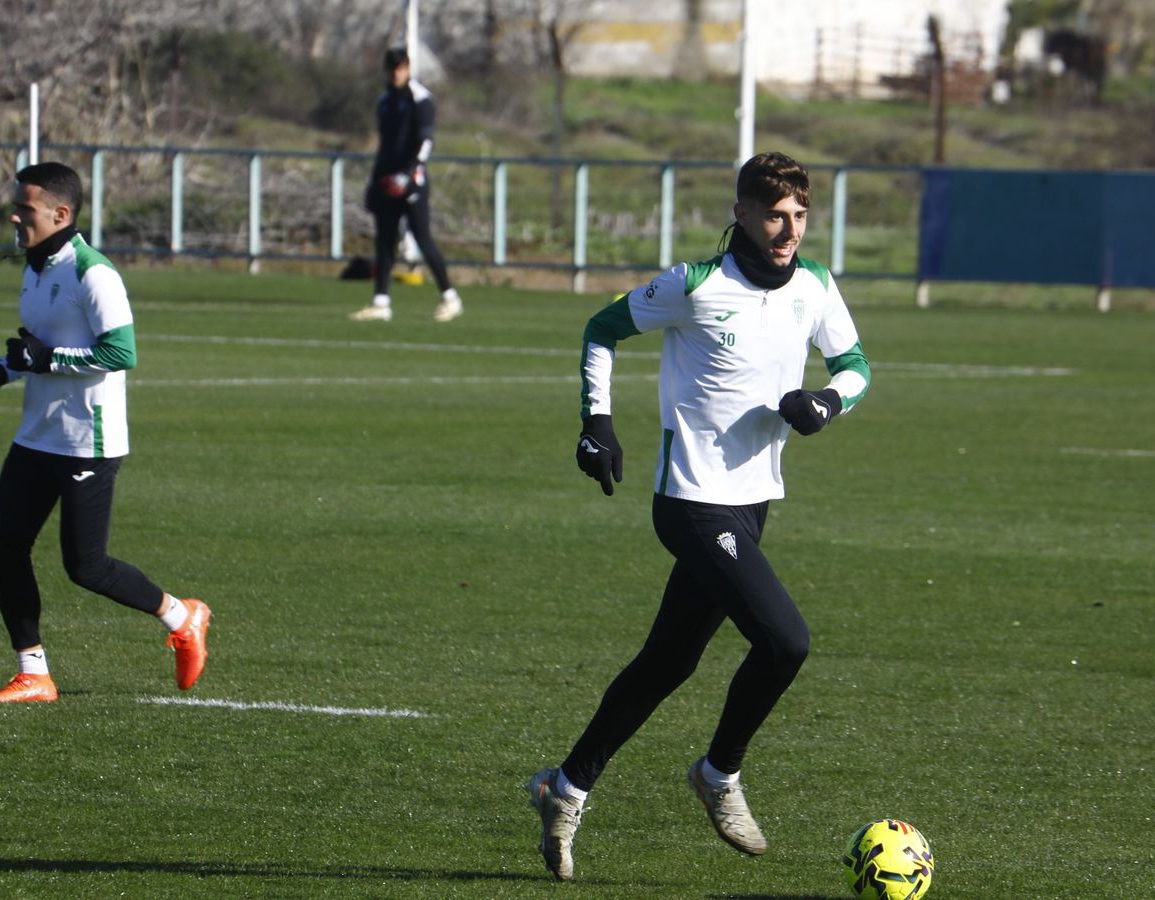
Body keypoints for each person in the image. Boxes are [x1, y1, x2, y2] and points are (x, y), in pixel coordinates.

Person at [525, 152, 872, 881]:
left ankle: (566, 788)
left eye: (800, 215)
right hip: (689, 501)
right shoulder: (695, 284)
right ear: (741, 212)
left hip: (752, 504)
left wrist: (825, 403)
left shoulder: (813, 286)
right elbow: (600, 328)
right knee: (785, 642)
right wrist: (598, 422)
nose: (789, 230)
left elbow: (857, 366)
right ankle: (719, 774)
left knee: (668, 662)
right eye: (775, 214)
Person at [0, 161, 211, 704]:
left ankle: (181, 615)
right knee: (7, 548)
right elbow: (36, 346)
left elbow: (121, 353)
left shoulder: (94, 273)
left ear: (60, 213)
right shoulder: (33, 268)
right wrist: (0, 372)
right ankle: (34, 674)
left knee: (86, 566)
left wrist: (47, 359)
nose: (14, 215)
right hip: (36, 435)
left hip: (87, 441)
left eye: (25, 208)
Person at [348, 46, 464, 323]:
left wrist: (410, 172)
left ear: (408, 68)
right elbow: (385, 145)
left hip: (412, 182)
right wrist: (376, 180)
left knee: (422, 238)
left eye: (401, 67)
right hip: (387, 180)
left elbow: (425, 141)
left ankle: (450, 297)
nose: (397, 73)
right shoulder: (385, 100)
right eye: (393, 68)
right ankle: (381, 302)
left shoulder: (421, 99)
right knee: (385, 240)